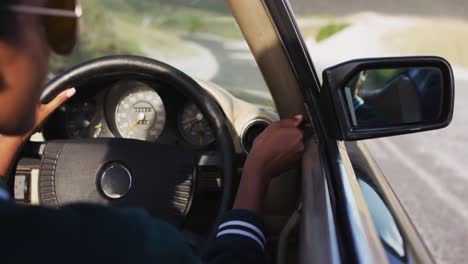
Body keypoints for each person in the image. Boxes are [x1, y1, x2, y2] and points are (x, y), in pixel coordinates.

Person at [0, 1, 305, 263]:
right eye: (53, 26)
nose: (50, 52)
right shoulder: (136, 245)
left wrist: (9, 138)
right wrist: (257, 170)